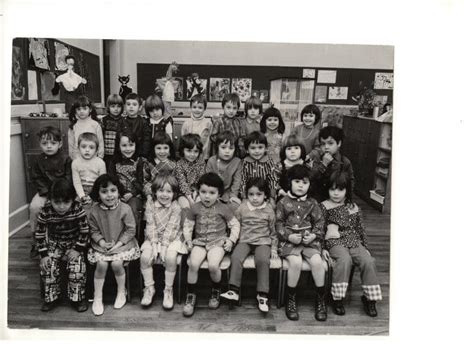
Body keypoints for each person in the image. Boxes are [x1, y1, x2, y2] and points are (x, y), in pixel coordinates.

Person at [320, 171, 382, 317]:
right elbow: (319, 229)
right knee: (344, 260)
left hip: (354, 241)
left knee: (368, 261)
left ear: (347, 190)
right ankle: (338, 298)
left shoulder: (353, 207)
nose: (336, 193)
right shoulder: (324, 206)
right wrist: (322, 248)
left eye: (340, 189)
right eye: (332, 189)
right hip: (334, 241)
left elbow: (361, 229)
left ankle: (370, 299)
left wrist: (365, 248)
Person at [182, 173, 240, 317]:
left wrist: (231, 240)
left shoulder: (224, 208)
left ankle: (216, 290)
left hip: (217, 242)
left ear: (219, 194)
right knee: (193, 264)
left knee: (214, 265)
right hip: (200, 242)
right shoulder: (194, 207)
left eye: (212, 193)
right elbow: (188, 226)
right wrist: (188, 239)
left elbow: (235, 225)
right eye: (203, 192)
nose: (207, 196)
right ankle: (191, 295)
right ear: (198, 192)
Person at [276, 165, 328, 322]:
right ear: (289, 182)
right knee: (295, 262)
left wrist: (313, 235)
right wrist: (288, 236)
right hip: (290, 241)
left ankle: (320, 299)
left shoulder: (313, 203)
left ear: (310, 184)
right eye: (297, 181)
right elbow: (278, 223)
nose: (300, 185)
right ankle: (291, 298)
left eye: (304, 182)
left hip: (309, 241)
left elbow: (320, 222)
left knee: (317, 262)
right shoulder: (283, 202)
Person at [220, 178, 278, 313]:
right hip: (245, 240)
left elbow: (273, 231)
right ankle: (233, 290)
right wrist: (229, 238)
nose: (255, 198)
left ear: (265, 195)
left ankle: (262, 294)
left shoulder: (269, 210)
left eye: (259, 194)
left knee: (263, 260)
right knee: (236, 257)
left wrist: (274, 247)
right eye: (251, 194)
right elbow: (234, 224)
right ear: (247, 195)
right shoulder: (242, 208)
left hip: (263, 241)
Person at [88, 174, 141, 316]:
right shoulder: (94, 210)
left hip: (122, 244)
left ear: (119, 192)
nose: (109, 195)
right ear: (98, 194)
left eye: (113, 190)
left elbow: (130, 230)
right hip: (103, 244)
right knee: (101, 264)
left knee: (117, 264)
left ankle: (121, 291)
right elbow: (93, 230)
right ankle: (98, 297)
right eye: (104, 192)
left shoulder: (125, 208)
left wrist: (118, 244)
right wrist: (101, 242)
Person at [36, 178, 89, 312]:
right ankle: (52, 297)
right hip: (55, 243)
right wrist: (44, 254)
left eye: (66, 202)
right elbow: (40, 234)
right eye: (57, 202)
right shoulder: (46, 211)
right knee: (49, 266)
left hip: (74, 242)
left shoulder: (77, 208)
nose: (61, 206)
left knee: (77, 267)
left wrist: (77, 249)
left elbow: (84, 230)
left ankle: (77, 299)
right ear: (50, 200)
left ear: (73, 200)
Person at [140, 172, 187, 310]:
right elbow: (150, 225)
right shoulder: (150, 204)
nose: (164, 195)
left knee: (170, 258)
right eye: (161, 190)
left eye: (169, 191)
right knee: (144, 257)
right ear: (154, 192)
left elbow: (172, 229)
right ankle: (149, 288)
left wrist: (164, 248)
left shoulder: (176, 206)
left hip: (172, 239)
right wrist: (155, 247)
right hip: (153, 238)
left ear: (174, 193)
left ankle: (168, 290)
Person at [29, 126, 72, 258]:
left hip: (62, 192)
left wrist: (59, 193)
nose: (49, 146)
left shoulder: (66, 159)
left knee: (72, 207)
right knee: (35, 207)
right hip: (45, 192)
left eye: (53, 143)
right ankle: (36, 241)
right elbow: (36, 178)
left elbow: (68, 178)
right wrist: (47, 193)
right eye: (44, 143)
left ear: (60, 144)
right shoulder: (37, 160)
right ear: (40, 144)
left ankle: (68, 240)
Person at [108, 132, 151, 239]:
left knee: (132, 208)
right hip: (117, 195)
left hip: (135, 196)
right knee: (113, 208)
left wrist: (132, 194)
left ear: (136, 145)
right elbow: (112, 180)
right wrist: (120, 194)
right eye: (124, 145)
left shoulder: (140, 161)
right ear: (118, 146)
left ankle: (133, 238)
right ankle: (114, 238)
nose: (128, 149)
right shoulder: (113, 162)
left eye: (131, 145)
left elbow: (142, 182)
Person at [310, 126, 354, 202]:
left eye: (330, 143)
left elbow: (350, 183)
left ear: (339, 143)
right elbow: (312, 178)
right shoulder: (318, 159)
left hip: (338, 198)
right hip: (319, 199)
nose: (326, 147)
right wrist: (323, 165)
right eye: (323, 144)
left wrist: (348, 199)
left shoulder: (345, 162)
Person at [240, 131, 279, 206]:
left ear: (265, 149)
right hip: (250, 194)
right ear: (247, 150)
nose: (257, 151)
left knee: (269, 208)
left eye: (260, 147)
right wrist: (243, 195)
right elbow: (243, 179)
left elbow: (273, 178)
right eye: (253, 148)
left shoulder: (268, 161)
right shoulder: (245, 162)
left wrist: (272, 196)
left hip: (265, 193)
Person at [205, 130, 242, 211]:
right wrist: (214, 195)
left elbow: (237, 182)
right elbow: (208, 181)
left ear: (235, 149)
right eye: (223, 147)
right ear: (217, 147)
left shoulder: (237, 162)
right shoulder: (211, 161)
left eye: (231, 148)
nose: (227, 151)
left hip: (228, 194)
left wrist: (233, 196)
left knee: (235, 206)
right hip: (212, 192)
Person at [71, 132, 106, 211]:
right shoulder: (75, 163)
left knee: (98, 209)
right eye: (83, 147)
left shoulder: (100, 163)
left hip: (96, 190)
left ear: (96, 150)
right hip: (81, 190)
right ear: (78, 148)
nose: (87, 150)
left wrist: (92, 196)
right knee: (76, 208)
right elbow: (77, 182)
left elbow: (102, 182)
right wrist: (82, 196)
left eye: (91, 147)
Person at [174, 133, 206, 210]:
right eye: (189, 151)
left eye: (196, 151)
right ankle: (186, 222)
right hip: (182, 193)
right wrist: (190, 198)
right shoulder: (179, 164)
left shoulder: (201, 163)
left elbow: (201, 179)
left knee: (200, 205)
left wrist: (196, 193)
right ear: (182, 150)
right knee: (186, 206)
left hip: (198, 191)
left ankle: (199, 221)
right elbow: (182, 183)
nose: (192, 154)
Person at [210, 93, 247, 157]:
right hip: (222, 152)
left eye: (234, 108)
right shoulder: (219, 122)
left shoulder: (239, 122)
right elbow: (213, 137)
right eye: (228, 107)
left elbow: (242, 136)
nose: (231, 111)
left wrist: (240, 146)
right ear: (223, 107)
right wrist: (223, 140)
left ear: (238, 109)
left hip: (235, 153)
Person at [68, 95, 104, 160]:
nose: (81, 111)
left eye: (84, 108)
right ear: (75, 110)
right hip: (78, 160)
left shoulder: (95, 125)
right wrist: (74, 160)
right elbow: (71, 145)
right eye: (78, 109)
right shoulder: (73, 126)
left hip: (94, 160)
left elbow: (100, 143)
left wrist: (100, 158)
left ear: (90, 109)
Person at [143, 132, 177, 200]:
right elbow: (145, 182)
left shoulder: (173, 164)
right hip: (152, 194)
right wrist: (149, 195)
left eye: (165, 148)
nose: (162, 151)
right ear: (153, 149)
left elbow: (175, 183)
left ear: (170, 149)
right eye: (158, 148)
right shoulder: (148, 163)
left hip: (168, 195)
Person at [277, 134, 312, 198]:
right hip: (284, 197)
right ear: (284, 151)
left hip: (303, 198)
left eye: (296, 148)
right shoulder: (280, 166)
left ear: (302, 150)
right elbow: (274, 181)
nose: (292, 151)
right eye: (289, 149)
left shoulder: (306, 165)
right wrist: (280, 190)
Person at [181, 94, 212, 159]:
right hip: (189, 156)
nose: (197, 110)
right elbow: (183, 141)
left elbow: (209, 141)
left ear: (204, 109)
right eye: (194, 107)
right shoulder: (186, 123)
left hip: (203, 156)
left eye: (200, 107)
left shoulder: (208, 123)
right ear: (190, 108)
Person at [120, 93, 149, 157]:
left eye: (134, 104)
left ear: (140, 107)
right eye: (128, 104)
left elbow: (146, 140)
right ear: (125, 107)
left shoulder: (143, 122)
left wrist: (143, 155)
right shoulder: (121, 121)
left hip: (139, 154)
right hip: (124, 153)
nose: (131, 106)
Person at [101, 94, 124, 167]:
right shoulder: (104, 120)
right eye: (113, 106)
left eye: (118, 106)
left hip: (119, 153)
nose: (116, 109)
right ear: (108, 107)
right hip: (107, 153)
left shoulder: (124, 120)